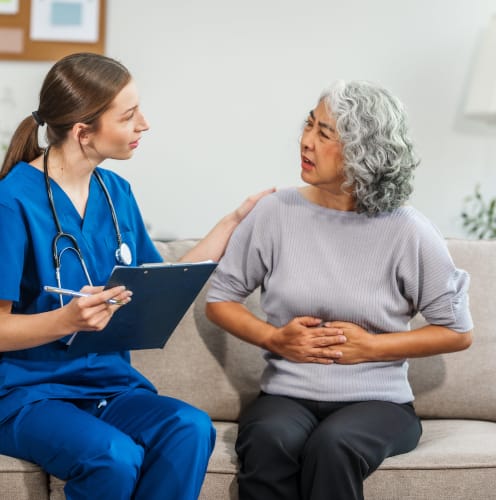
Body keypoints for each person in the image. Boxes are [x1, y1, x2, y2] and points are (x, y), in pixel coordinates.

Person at [0, 52, 272, 500]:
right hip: (30, 395)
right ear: (84, 131)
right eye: (128, 116)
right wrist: (67, 320)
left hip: (110, 385)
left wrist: (232, 223)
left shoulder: (116, 193)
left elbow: (156, 279)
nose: (144, 124)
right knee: (112, 455)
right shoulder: (12, 202)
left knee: (189, 427)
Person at [205, 80, 473, 500]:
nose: (306, 142)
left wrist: (371, 348)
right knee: (268, 441)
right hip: (286, 395)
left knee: (334, 446)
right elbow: (220, 299)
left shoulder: (408, 229)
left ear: (363, 151)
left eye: (324, 134)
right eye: (309, 126)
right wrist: (275, 338)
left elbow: (457, 332)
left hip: (380, 404)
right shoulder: (276, 213)